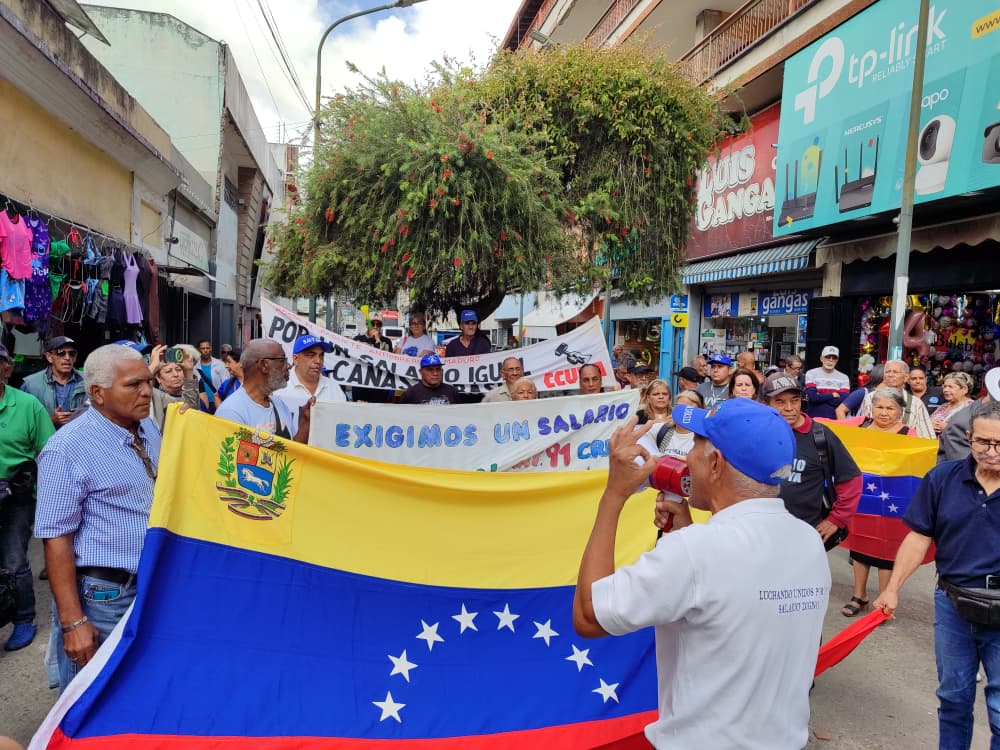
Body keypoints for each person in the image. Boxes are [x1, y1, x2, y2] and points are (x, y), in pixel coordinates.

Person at [574, 398, 829, 749]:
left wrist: (613, 495)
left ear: (715, 464)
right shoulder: (808, 541)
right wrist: (685, 532)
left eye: (694, 444)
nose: (685, 457)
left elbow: (589, 617)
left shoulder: (698, 550)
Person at [874, 399, 1000, 748]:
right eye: (982, 442)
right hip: (952, 604)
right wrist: (892, 588)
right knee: (954, 698)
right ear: (969, 438)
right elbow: (918, 538)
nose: (990, 452)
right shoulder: (943, 478)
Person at [34, 344, 160, 692]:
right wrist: (74, 622)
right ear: (98, 394)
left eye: (148, 382)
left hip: (152, 589)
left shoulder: (148, 428)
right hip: (105, 599)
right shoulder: (67, 449)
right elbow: (57, 537)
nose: (147, 391)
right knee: (91, 702)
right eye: (134, 384)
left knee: (137, 694)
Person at [761, 372, 862, 549]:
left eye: (794, 400)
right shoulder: (758, 433)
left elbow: (851, 479)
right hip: (763, 533)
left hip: (805, 535)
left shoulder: (820, 435)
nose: (789, 407)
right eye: (780, 402)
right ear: (765, 404)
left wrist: (836, 519)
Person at [842, 387, 915, 617]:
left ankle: (884, 598)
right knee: (859, 546)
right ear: (871, 408)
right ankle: (859, 595)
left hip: (892, 503)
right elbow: (827, 425)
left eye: (890, 408)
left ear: (900, 411)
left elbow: (915, 466)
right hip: (863, 498)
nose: (883, 412)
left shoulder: (908, 433)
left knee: (887, 550)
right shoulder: (859, 426)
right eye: (879, 407)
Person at [0, 344, 54, 651]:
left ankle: (23, 618)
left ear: (7, 369)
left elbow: (48, 453)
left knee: (14, 559)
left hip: (17, 494)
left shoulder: (27, 405)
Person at [215, 339, 309, 443]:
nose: (288, 366)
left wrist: (306, 421)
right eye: (282, 360)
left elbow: (292, 453)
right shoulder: (231, 412)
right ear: (264, 365)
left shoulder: (279, 404)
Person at [273, 334, 347, 436]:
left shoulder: (333, 387)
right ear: (296, 359)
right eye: (311, 355)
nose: (318, 361)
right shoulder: (278, 388)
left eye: (321, 355)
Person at [20, 336, 86, 428]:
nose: (67, 358)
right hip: (46, 440)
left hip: (79, 439)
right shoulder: (31, 384)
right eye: (61, 353)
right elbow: (21, 421)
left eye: (72, 353)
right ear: (49, 357)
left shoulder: (89, 381)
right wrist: (50, 420)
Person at [859, 360, 935, 439]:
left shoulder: (916, 404)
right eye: (888, 372)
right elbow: (863, 426)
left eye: (895, 372)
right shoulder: (870, 398)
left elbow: (927, 438)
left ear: (906, 378)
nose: (890, 375)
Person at [142, 343, 200, 432]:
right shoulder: (154, 394)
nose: (175, 374)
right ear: (158, 378)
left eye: (179, 369)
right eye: (168, 371)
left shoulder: (163, 398)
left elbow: (188, 408)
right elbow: (136, 390)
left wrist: (188, 372)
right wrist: (153, 367)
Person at [804, 345, 850, 420]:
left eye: (834, 358)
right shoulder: (811, 373)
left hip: (834, 421)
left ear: (837, 360)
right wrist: (832, 395)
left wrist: (820, 396)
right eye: (827, 357)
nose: (831, 360)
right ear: (821, 358)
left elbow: (843, 401)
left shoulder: (844, 378)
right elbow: (813, 398)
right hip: (814, 420)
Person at [653, 390, 702, 458]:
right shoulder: (661, 430)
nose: (680, 411)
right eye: (677, 406)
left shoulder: (702, 439)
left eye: (685, 408)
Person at [930, 371, 975, 437]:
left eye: (950, 387)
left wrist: (950, 428)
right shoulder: (943, 406)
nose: (945, 390)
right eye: (945, 386)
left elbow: (977, 431)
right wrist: (929, 425)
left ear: (964, 389)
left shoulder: (972, 408)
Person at [194, 339, 227, 413]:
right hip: (202, 403)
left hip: (217, 401)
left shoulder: (219, 364)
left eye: (207, 348)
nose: (205, 350)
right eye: (203, 348)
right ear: (199, 350)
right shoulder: (195, 367)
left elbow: (225, 383)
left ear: (211, 349)